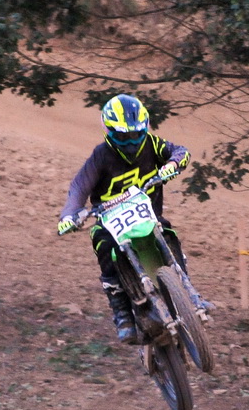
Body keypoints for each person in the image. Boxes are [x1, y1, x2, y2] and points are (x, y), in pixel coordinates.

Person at [57, 94, 191, 344]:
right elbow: (79, 187)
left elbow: (180, 151)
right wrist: (70, 214)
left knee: (167, 231)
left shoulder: (152, 144)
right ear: (109, 131)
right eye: (123, 136)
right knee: (103, 244)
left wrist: (173, 163)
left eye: (135, 134)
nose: (130, 141)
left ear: (145, 127)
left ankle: (188, 293)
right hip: (111, 223)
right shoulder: (101, 155)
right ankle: (122, 313)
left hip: (148, 216)